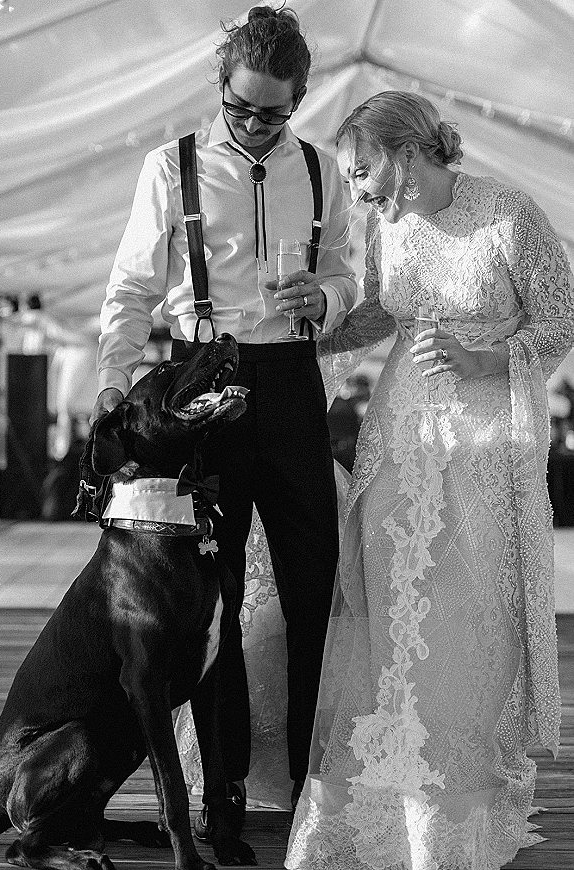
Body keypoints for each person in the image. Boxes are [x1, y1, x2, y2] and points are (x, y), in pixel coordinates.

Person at [286, 90, 574, 870]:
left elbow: (562, 315)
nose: (357, 189)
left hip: (485, 444)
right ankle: (387, 796)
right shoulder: (388, 225)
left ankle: (452, 805)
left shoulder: (507, 214)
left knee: (463, 619)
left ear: (406, 152)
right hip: (397, 436)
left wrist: (491, 358)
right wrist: (317, 324)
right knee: (389, 609)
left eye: (361, 170)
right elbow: (384, 309)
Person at [90, 4, 356, 823]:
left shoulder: (323, 171)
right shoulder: (168, 169)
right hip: (199, 387)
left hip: (289, 380)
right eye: (240, 107)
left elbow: (348, 276)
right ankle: (226, 788)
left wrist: (328, 297)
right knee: (219, 591)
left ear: (301, 98)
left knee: (315, 587)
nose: (254, 124)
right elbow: (133, 292)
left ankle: (314, 779)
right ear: (221, 85)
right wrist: (112, 379)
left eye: (274, 112)